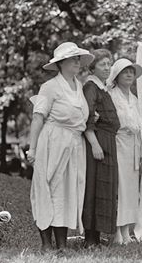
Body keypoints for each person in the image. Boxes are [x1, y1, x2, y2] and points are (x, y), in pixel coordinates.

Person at [27, 42, 94, 250]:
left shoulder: (79, 86)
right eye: (73, 58)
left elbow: (78, 116)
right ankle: (47, 245)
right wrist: (33, 148)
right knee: (47, 189)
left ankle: (62, 245)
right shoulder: (50, 87)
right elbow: (38, 118)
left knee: (66, 192)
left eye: (78, 58)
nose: (77, 62)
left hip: (73, 145)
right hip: (52, 143)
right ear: (61, 63)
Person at [81, 49, 120, 247]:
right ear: (93, 67)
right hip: (97, 142)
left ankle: (96, 237)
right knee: (94, 188)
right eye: (103, 64)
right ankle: (90, 239)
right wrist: (95, 144)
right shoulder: (90, 86)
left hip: (108, 142)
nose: (107, 68)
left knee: (104, 188)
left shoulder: (102, 88)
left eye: (109, 63)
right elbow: (87, 117)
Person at [106, 58, 142, 244]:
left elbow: (139, 127)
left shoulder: (135, 99)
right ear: (117, 75)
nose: (129, 75)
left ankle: (127, 229)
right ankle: (116, 232)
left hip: (133, 147)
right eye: (125, 71)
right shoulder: (111, 95)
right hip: (118, 143)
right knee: (118, 188)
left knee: (130, 189)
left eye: (131, 71)